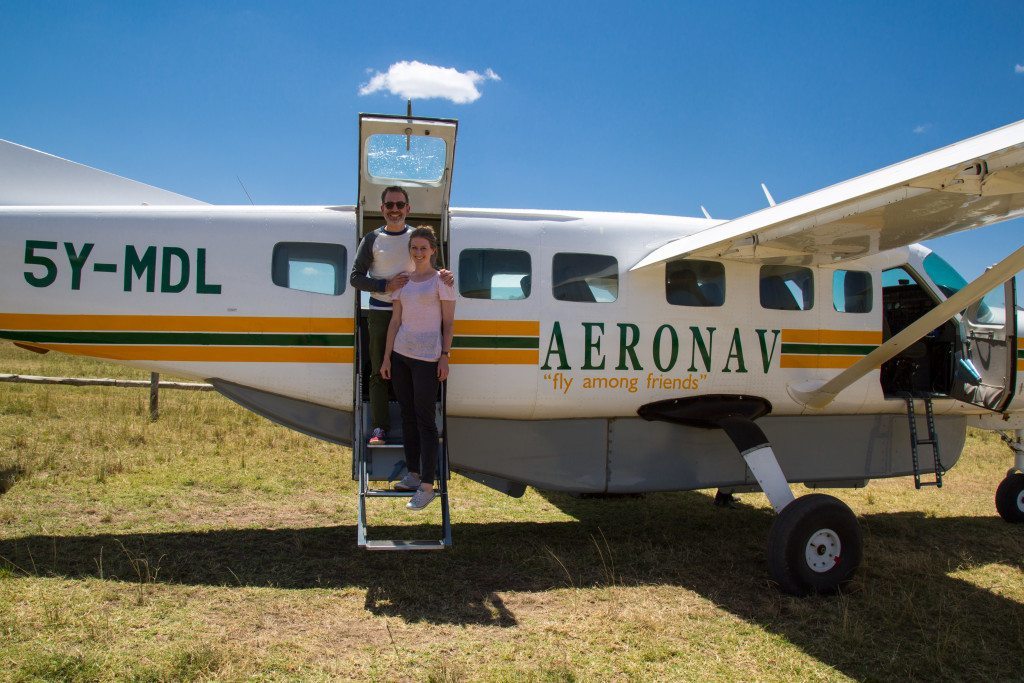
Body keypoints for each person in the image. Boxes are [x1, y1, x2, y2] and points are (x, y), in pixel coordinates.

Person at [349, 187, 452, 446]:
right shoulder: (371, 239)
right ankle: (380, 427)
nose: (394, 210)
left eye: (399, 205)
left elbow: (427, 265)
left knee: (417, 370)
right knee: (378, 369)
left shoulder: (414, 238)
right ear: (382, 209)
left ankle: (423, 425)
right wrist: (385, 286)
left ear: (408, 208)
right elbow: (355, 278)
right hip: (382, 313)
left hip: (413, 313)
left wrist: (444, 275)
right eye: (389, 205)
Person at [379, 226, 455, 510]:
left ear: (433, 250)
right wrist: (387, 357)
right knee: (408, 416)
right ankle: (412, 474)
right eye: (415, 248)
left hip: (427, 358)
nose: (419, 252)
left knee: (425, 421)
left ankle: (427, 485)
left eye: (424, 248)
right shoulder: (404, 282)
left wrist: (445, 355)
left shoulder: (442, 281)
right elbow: (395, 322)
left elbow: (448, 323)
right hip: (401, 356)